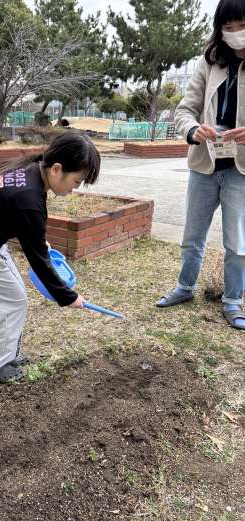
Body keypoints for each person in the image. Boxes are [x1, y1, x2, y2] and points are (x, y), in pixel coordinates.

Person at [0, 133, 101, 383]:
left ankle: (7, 355)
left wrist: (36, 239)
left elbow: (8, 210)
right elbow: (39, 261)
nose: (75, 189)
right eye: (76, 181)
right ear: (57, 169)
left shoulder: (32, 169)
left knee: (16, 296)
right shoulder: (28, 196)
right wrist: (68, 297)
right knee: (12, 302)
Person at [156, 0, 245, 331]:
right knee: (193, 235)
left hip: (240, 170)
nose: (235, 33)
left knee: (237, 242)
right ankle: (184, 287)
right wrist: (193, 130)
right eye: (228, 27)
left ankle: (233, 300)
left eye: (242, 26)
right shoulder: (210, 62)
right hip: (205, 164)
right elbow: (184, 110)